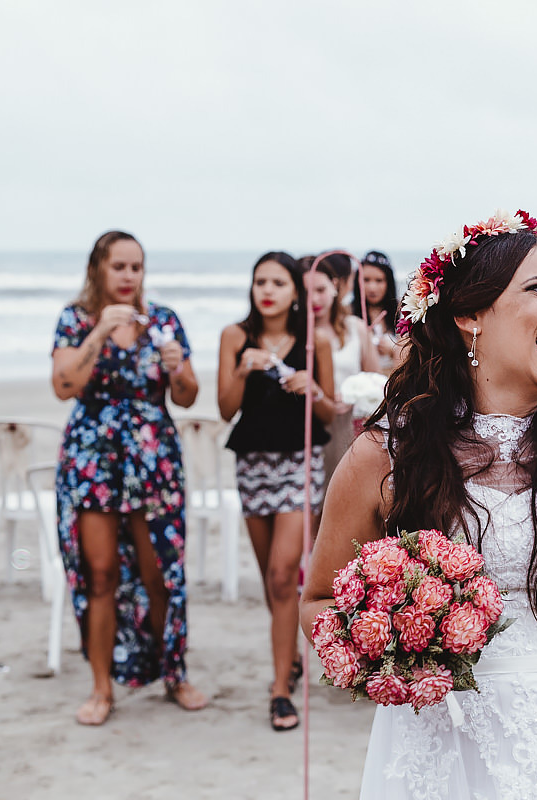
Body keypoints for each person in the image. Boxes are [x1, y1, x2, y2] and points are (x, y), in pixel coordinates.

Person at [300, 209, 537, 799]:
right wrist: (389, 646)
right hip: (448, 748)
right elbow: (318, 601)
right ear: (470, 317)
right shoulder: (386, 455)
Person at [51, 230, 208, 725]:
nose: (128, 276)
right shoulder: (74, 320)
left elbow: (186, 396)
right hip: (93, 461)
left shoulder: (162, 320)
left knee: (158, 572)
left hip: (152, 461)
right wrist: (97, 334)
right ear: (98, 268)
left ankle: (173, 673)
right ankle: (102, 688)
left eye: (136, 267)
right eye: (119, 266)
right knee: (99, 575)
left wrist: (177, 368)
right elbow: (63, 386)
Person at [217, 251, 336, 731]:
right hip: (252, 464)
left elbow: (330, 413)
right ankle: (287, 654)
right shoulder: (234, 336)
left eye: (278, 282)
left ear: (295, 293)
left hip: (299, 463)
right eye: (259, 281)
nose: (267, 290)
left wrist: (313, 390)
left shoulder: (315, 342)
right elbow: (225, 410)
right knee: (273, 579)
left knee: (285, 574)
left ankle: (281, 691)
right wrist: (243, 371)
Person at [305, 257, 379, 476]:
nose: (314, 299)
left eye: (320, 289)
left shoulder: (355, 327)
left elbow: (376, 381)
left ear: (334, 286)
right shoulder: (297, 335)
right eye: (307, 291)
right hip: (311, 426)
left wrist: (353, 397)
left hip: (351, 423)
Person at [350, 249, 402, 373]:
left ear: (388, 282)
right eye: (366, 280)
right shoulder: (348, 313)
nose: (372, 288)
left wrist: (393, 351)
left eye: (379, 280)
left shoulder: (402, 312)